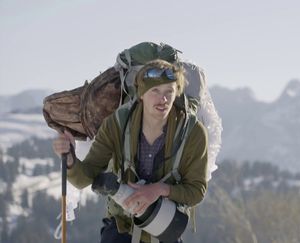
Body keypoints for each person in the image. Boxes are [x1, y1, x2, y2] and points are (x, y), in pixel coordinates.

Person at [52, 59, 208, 243]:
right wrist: (69, 159)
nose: (163, 99)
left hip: (164, 229)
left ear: (176, 94)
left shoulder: (192, 132)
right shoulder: (118, 124)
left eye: (169, 92)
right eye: (155, 91)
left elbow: (196, 191)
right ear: (141, 93)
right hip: (121, 227)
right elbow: (85, 177)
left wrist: (159, 190)